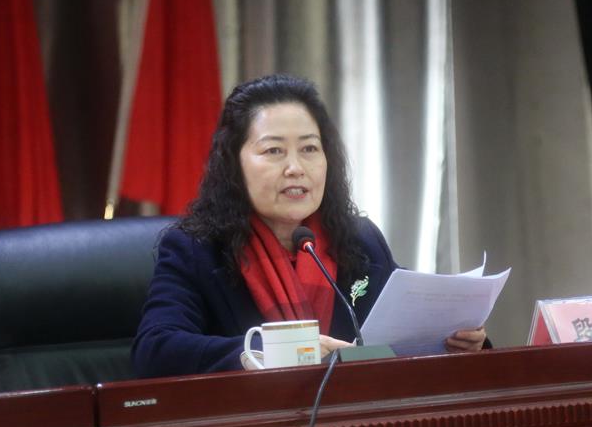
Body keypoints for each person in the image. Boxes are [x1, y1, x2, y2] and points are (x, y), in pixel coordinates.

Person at [132, 74, 486, 378]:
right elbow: (155, 350)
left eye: (309, 149)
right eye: (274, 151)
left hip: (356, 421)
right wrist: (283, 350)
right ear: (233, 164)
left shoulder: (359, 241)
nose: (295, 168)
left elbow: (409, 328)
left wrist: (461, 339)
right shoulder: (196, 249)